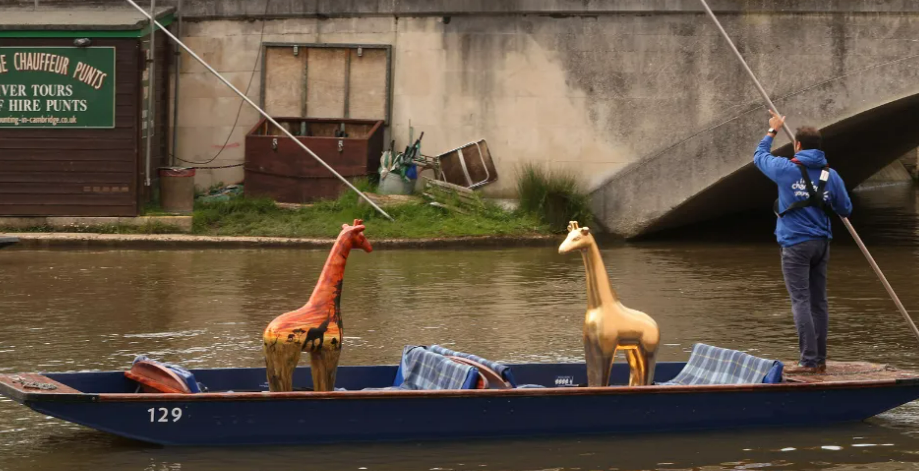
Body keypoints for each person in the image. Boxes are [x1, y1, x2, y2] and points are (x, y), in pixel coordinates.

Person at [753, 110, 853, 374]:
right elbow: (845, 208)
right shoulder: (831, 175)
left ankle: (808, 361)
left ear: (797, 145)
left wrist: (772, 130)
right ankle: (819, 360)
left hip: (796, 245)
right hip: (821, 244)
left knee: (801, 301)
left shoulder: (786, 170)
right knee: (819, 302)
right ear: (819, 148)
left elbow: (759, 156)